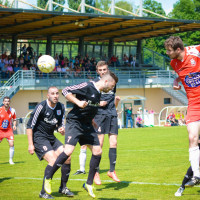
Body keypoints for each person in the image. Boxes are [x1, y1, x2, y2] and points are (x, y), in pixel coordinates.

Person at [43, 70, 118, 198]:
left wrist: (93, 121)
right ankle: (48, 178)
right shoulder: (87, 86)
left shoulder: (99, 93)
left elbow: (91, 107)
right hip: (75, 122)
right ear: (106, 81)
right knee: (68, 151)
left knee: (97, 151)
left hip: (87, 125)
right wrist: (77, 103)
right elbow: (66, 90)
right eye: (112, 86)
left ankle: (88, 183)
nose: (112, 89)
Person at [74, 61, 121, 183]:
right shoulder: (95, 84)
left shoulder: (113, 82)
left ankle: (112, 171)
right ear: (97, 71)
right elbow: (88, 99)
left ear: (107, 69)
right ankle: (95, 171)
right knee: (99, 144)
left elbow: (112, 96)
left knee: (114, 142)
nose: (102, 72)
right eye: (100, 70)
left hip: (112, 114)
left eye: (104, 70)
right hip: (99, 115)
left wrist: (116, 105)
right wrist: (98, 105)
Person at [164, 36, 200, 186]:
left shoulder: (195, 52)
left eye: (169, 50)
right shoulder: (173, 63)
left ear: (178, 49)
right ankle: (197, 176)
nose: (167, 53)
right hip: (193, 104)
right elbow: (183, 75)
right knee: (192, 138)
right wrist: (176, 80)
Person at [27, 86, 74, 199]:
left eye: (57, 93)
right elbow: (29, 126)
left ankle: (63, 187)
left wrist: (61, 129)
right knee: (53, 160)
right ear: (48, 95)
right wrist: (30, 144)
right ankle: (43, 192)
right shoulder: (41, 107)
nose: (55, 96)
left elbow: (60, 124)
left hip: (51, 137)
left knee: (67, 157)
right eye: (52, 94)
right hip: (39, 138)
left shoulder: (61, 107)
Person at [0, 96, 17, 165]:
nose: (7, 102)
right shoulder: (0, 109)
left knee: (11, 144)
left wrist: (14, 125)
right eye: (5, 101)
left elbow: (14, 119)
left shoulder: (12, 110)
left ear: (9, 102)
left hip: (8, 130)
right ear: (3, 102)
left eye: (8, 101)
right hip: (0, 130)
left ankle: (10, 160)